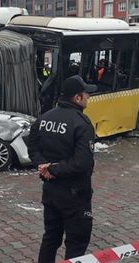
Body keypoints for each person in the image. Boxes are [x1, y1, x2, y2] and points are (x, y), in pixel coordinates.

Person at [27, 75, 96, 263]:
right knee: (76, 242)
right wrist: (53, 169)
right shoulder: (82, 123)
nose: (88, 97)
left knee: (51, 237)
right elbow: (82, 163)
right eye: (86, 94)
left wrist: (44, 167)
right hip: (75, 194)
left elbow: (32, 148)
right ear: (77, 98)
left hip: (50, 190)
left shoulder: (44, 119)